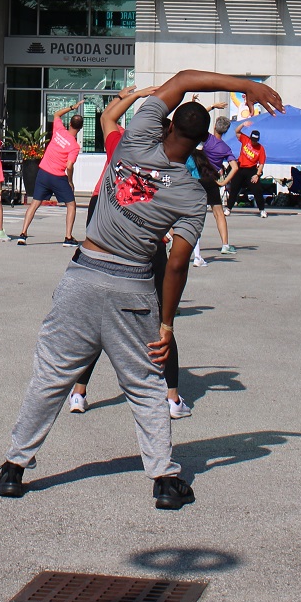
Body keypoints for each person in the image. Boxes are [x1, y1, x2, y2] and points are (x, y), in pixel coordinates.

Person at [0, 67, 284, 510]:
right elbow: (176, 265)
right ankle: (164, 480)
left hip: (84, 275)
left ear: (166, 125)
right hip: (133, 286)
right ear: (200, 144)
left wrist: (246, 86)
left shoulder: (135, 139)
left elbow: (183, 80)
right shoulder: (191, 194)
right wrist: (166, 325)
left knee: (51, 377)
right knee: (147, 385)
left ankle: (14, 467)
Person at [70, 85, 191, 421]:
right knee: (160, 321)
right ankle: (171, 396)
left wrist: (134, 97)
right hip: (146, 242)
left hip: (109, 234)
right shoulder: (171, 164)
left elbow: (107, 118)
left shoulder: (125, 145)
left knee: (97, 320)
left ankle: (79, 391)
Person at [16, 101, 84, 249]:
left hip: (43, 173)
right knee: (71, 205)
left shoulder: (59, 131)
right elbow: (69, 166)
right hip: (58, 176)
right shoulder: (74, 146)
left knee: (35, 203)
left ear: (70, 124)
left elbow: (56, 114)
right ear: (80, 128)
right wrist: (70, 181)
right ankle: (68, 237)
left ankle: (23, 234)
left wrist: (72, 107)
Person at [199, 115, 235, 256]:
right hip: (212, 180)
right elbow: (235, 167)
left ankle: (171, 236)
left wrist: (212, 106)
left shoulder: (207, 139)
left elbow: (198, 119)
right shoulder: (225, 148)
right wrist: (223, 182)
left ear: (214, 126)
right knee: (219, 213)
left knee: (189, 212)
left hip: (198, 177)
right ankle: (225, 245)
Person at [226, 125, 267, 217]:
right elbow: (237, 132)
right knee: (234, 189)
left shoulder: (260, 148)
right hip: (240, 168)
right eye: (252, 140)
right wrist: (243, 124)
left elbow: (261, 163)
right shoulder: (246, 139)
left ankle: (262, 210)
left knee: (257, 190)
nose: (253, 142)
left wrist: (257, 175)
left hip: (251, 170)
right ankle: (228, 208)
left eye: (255, 141)